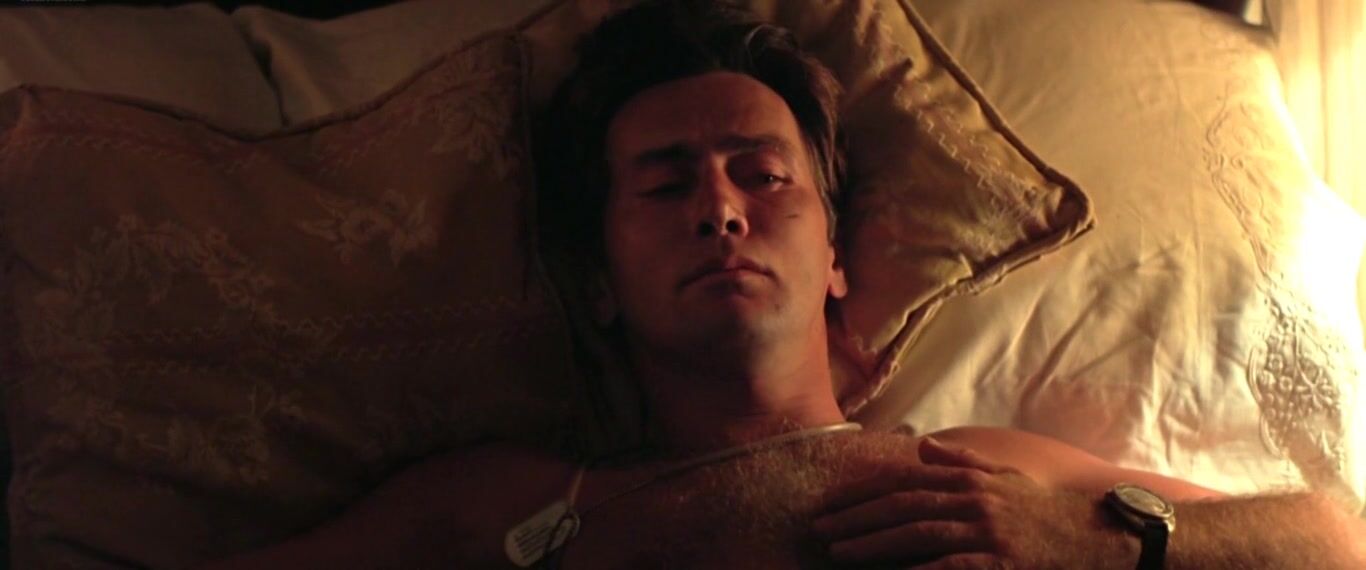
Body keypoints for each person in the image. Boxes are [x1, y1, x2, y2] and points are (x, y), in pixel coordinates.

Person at [207, 1, 1366, 568]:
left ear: (838, 258)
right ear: (597, 279)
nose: (720, 209)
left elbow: (1333, 536)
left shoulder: (972, 475)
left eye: (761, 176)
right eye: (666, 183)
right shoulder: (505, 504)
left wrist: (1090, 539)